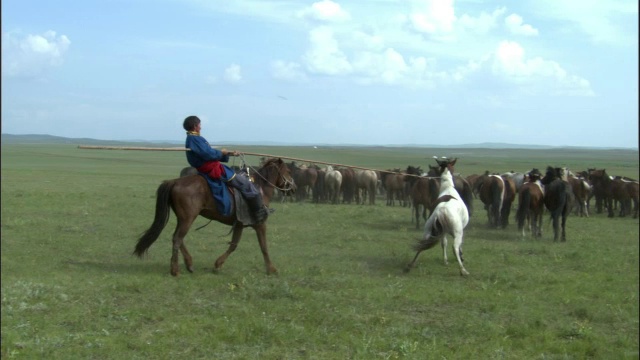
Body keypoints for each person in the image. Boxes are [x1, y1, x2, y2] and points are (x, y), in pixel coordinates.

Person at [183, 115, 269, 224]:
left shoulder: (193, 138)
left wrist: (229, 154)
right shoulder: (194, 139)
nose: (201, 127)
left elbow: (209, 153)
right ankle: (258, 214)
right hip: (213, 169)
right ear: (195, 126)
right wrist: (222, 153)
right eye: (199, 125)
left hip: (211, 166)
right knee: (246, 184)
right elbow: (208, 154)